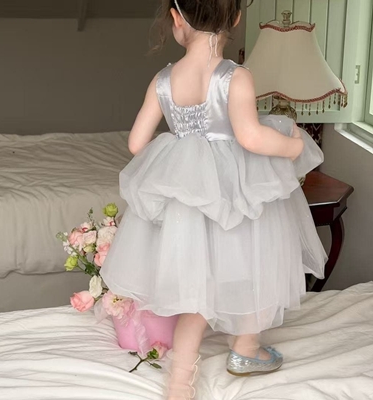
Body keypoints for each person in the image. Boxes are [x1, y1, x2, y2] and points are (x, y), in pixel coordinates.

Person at [101, 0, 326, 398]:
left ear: (176, 19)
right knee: (252, 267)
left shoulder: (163, 80)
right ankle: (245, 349)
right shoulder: (235, 76)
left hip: (191, 202)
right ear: (236, 18)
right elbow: (250, 137)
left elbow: (136, 143)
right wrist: (294, 147)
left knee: (196, 293)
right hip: (232, 195)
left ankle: (179, 384)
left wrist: (179, 158)